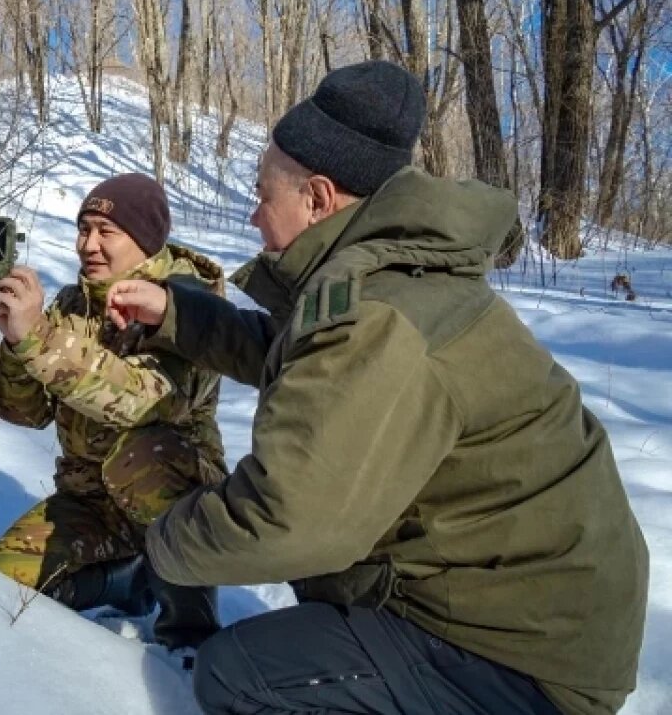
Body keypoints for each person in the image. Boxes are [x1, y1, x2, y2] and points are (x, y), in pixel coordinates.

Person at [106, 60, 648, 713]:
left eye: (262, 194)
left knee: (241, 674)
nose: (254, 215)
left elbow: (289, 519)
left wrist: (163, 539)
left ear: (317, 198)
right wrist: (179, 314)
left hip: (520, 660)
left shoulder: (378, 314)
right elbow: (309, 363)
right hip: (533, 612)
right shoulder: (394, 274)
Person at [0, 172, 226, 650]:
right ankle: (128, 581)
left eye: (106, 232)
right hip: (91, 502)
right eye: (83, 229)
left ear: (143, 238)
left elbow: (143, 399)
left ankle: (191, 626)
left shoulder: (188, 303)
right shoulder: (75, 303)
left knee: (142, 454)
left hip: (174, 499)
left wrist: (39, 338)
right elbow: (25, 413)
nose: (88, 245)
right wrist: (16, 343)